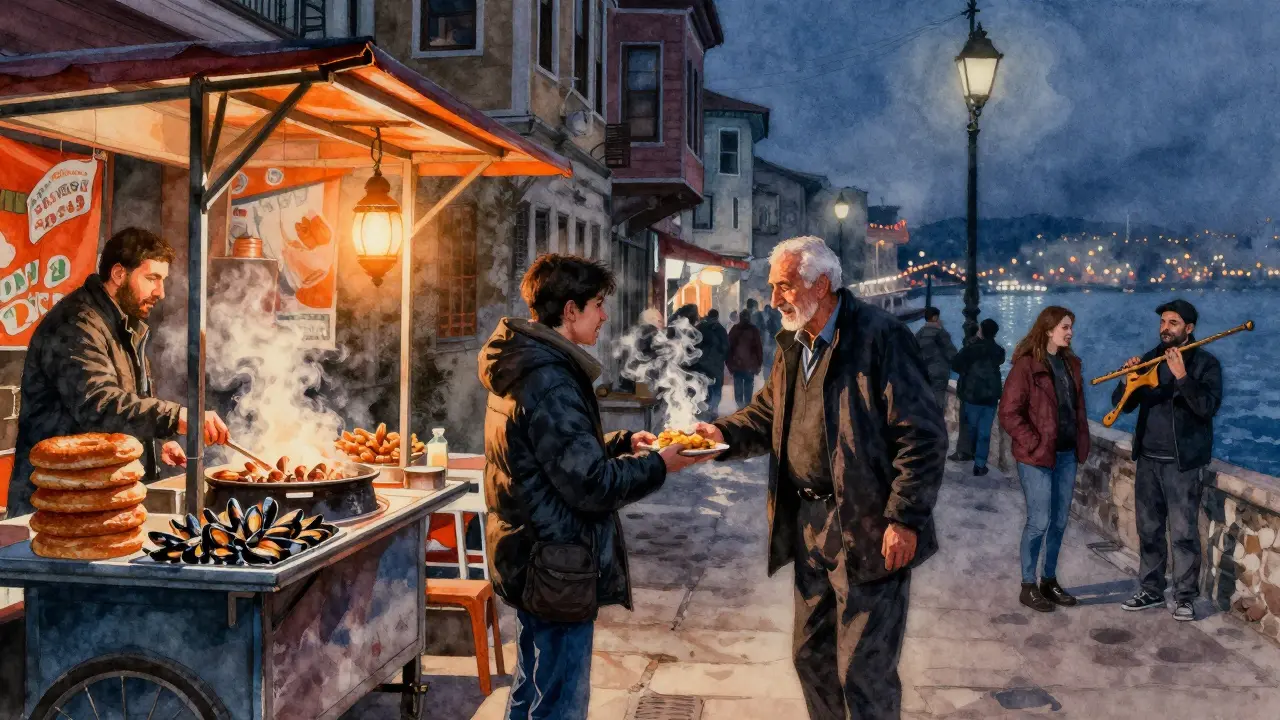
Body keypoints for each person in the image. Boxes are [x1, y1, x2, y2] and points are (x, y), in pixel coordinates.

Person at [693, 236, 946, 720]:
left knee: (864, 673)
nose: (773, 300)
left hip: (868, 524)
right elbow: (768, 416)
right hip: (809, 522)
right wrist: (717, 434)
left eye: (784, 287)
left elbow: (924, 435)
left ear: (822, 283)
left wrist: (905, 517)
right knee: (811, 658)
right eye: (773, 288)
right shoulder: (794, 341)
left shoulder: (880, 337)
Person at [479, 254, 712, 720]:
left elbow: (550, 452)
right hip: (554, 562)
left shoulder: (530, 364)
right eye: (598, 305)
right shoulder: (550, 380)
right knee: (558, 703)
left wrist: (621, 441)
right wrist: (660, 465)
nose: (604, 316)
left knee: (533, 690)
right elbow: (590, 484)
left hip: (531, 555)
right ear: (570, 311)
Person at [8, 227, 229, 517]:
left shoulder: (122, 324)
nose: (160, 292)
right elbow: (99, 405)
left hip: (95, 495)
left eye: (163, 281)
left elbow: (126, 404)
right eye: (152, 278)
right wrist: (177, 417)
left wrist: (151, 445)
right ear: (118, 274)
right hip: (56, 500)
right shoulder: (76, 325)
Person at [1114, 299, 1221, 622]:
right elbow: (1123, 407)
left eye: (1173, 322)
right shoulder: (1149, 359)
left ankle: (1185, 597)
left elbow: (1206, 408)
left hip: (1182, 463)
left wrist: (1182, 377)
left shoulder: (1205, 363)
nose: (1165, 328)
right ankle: (1150, 589)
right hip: (1148, 458)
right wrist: (1125, 380)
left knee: (1184, 534)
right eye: (1163, 322)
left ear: (1188, 329)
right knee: (1149, 530)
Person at [998, 306, 1090, 613]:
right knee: (1039, 522)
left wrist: (1080, 441)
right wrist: (1034, 442)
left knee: (1060, 522)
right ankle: (1028, 585)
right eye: (1065, 326)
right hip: (1037, 457)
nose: (1070, 332)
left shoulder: (1071, 364)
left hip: (1066, 455)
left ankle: (1049, 580)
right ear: (1049, 329)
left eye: (1071, 327)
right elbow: (1009, 413)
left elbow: (1076, 408)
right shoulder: (1026, 366)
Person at [951, 318, 1006, 476]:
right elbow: (999, 361)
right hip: (990, 397)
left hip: (972, 394)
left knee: (971, 428)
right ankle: (980, 464)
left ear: (981, 331)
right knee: (985, 432)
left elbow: (956, 364)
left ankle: (967, 453)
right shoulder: (999, 351)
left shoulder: (971, 348)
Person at [915, 307, 957, 412]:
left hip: (924, 373)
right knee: (938, 405)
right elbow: (951, 354)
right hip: (939, 373)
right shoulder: (941, 333)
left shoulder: (919, 334)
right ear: (935, 318)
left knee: (926, 403)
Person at [693, 309, 730, 420]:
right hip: (715, 365)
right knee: (716, 388)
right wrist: (722, 358)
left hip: (702, 365)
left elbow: (694, 346)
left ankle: (707, 410)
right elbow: (726, 347)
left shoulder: (700, 328)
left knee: (705, 387)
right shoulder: (720, 329)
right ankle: (712, 410)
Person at [726, 307, 763, 409]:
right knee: (748, 389)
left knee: (738, 389)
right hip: (750, 365)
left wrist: (730, 365)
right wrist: (759, 364)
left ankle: (740, 407)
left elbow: (729, 349)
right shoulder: (753, 330)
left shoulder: (735, 329)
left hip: (737, 365)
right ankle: (746, 407)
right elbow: (758, 349)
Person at [761, 303, 782, 376]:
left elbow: (767, 329)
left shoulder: (770, 319)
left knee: (768, 362)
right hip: (776, 341)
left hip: (771, 341)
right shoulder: (779, 316)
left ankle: (768, 378)